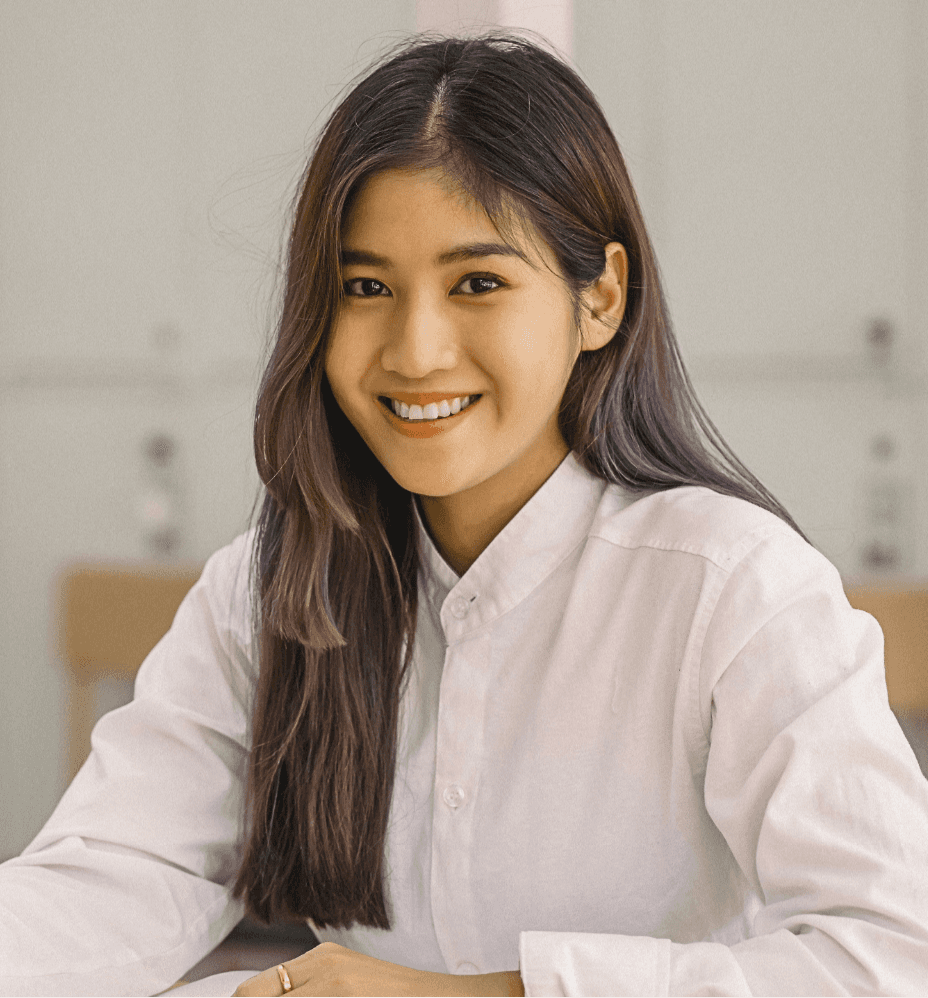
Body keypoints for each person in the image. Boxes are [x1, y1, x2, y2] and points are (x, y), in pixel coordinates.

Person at [2, 29, 928, 998]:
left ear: (600, 295)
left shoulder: (731, 587)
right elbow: (114, 877)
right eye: (366, 287)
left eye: (476, 282)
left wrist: (485, 992)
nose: (414, 348)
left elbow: (891, 951)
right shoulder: (273, 585)